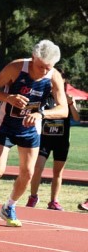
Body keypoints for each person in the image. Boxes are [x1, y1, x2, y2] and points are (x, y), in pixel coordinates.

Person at [0, 40, 67, 227]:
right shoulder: (16, 67)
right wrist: (8, 97)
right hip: (6, 125)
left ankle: (9, 206)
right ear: (33, 57)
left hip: (30, 129)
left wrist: (41, 114)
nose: (43, 71)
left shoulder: (54, 76)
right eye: (40, 66)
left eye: (48, 68)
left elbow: (63, 109)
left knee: (27, 173)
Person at [26, 75, 80, 210]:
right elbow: (32, 111)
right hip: (45, 139)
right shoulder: (44, 97)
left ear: (63, 82)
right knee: (38, 167)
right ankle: (33, 196)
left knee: (58, 172)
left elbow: (77, 118)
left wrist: (71, 104)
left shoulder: (66, 99)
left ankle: (54, 201)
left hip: (61, 141)